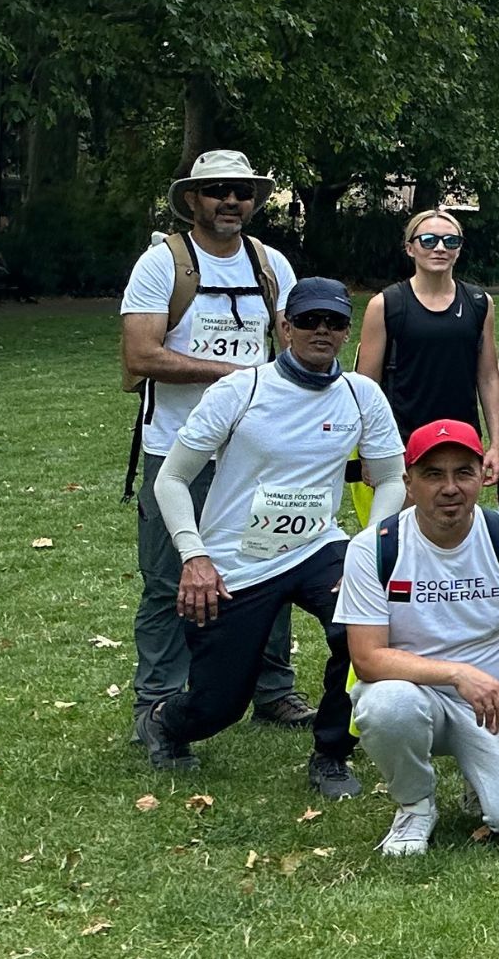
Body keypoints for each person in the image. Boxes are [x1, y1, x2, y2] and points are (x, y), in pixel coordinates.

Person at [140, 279, 405, 790]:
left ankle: (331, 753)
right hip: (235, 559)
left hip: (316, 547)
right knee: (218, 705)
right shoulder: (242, 390)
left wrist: (368, 549)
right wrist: (194, 557)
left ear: (347, 332)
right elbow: (170, 478)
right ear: (285, 328)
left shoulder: (360, 395)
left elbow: (392, 477)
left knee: (365, 631)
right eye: (308, 321)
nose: (321, 331)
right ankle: (165, 723)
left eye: (333, 322)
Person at [119, 149, 306, 749]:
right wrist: (232, 375)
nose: (231, 201)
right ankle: (158, 702)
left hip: (257, 451)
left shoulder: (272, 264)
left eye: (242, 191)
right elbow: (140, 355)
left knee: (273, 565)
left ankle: (273, 689)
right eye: (217, 190)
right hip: (179, 450)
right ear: (193, 200)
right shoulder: (162, 264)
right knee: (170, 575)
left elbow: (295, 343)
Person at [339, 420, 499, 855]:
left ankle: (485, 778)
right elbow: (367, 659)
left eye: (463, 473)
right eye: (433, 474)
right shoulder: (374, 548)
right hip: (415, 697)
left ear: (483, 477)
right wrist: (456, 674)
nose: (450, 488)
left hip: (497, 706)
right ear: (408, 483)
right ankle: (415, 805)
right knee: (384, 704)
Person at [356, 209, 499, 474]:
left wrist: (496, 445)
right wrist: (369, 449)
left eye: (451, 241)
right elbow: (367, 386)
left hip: (462, 438)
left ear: (459, 249)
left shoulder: (480, 303)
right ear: (410, 248)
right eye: (429, 240)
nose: (440, 248)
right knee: (404, 516)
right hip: (402, 441)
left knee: (456, 513)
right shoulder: (386, 304)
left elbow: (489, 377)